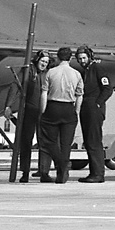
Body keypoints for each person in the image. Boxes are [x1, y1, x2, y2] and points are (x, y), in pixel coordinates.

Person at [38, 46, 83, 183]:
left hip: (53, 106)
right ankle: (63, 172)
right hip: (69, 107)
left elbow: (44, 93)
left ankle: (61, 164)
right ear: (71, 58)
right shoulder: (76, 74)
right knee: (66, 143)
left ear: (57, 57)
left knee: (49, 141)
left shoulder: (50, 72)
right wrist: (76, 110)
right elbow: (79, 95)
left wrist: (43, 111)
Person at [76, 46, 113, 183]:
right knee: (89, 141)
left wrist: (98, 103)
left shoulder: (97, 68)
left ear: (89, 57)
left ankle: (98, 174)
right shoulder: (85, 71)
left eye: (84, 58)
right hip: (86, 108)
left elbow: (107, 88)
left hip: (94, 108)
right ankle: (94, 172)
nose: (82, 61)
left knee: (94, 141)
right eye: (79, 59)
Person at [14, 50, 51, 182]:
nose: (44, 64)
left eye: (46, 62)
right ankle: (25, 171)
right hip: (29, 110)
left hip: (44, 112)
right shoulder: (29, 71)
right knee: (26, 142)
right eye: (42, 61)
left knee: (45, 142)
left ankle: (44, 171)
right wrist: (8, 106)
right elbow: (17, 87)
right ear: (37, 60)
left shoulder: (49, 74)